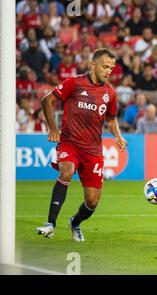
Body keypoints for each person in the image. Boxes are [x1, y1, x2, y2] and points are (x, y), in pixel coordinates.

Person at [36, 48, 128, 242]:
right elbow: (47, 101)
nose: (108, 71)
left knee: (92, 201)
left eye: (111, 68)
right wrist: (53, 128)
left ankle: (75, 222)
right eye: (105, 66)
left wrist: (118, 136)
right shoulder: (74, 82)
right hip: (70, 143)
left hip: (93, 150)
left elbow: (110, 119)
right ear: (92, 64)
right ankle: (50, 224)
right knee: (66, 171)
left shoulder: (110, 93)